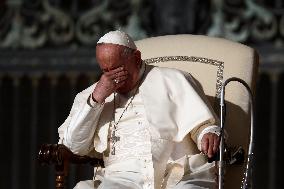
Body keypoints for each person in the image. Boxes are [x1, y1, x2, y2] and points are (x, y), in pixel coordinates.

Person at [58, 30, 221, 189]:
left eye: (118, 70)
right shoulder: (93, 94)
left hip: (177, 173)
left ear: (136, 58)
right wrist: (97, 99)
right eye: (105, 71)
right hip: (120, 179)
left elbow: (202, 124)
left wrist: (207, 134)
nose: (113, 78)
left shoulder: (174, 79)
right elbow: (73, 146)